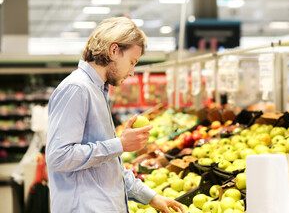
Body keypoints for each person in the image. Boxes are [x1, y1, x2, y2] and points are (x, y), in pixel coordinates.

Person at [46, 17, 185, 213]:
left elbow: (109, 166)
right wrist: (120, 144)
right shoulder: (77, 89)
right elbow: (58, 157)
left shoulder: (98, 90)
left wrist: (151, 197)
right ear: (113, 51)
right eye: (131, 62)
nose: (131, 72)